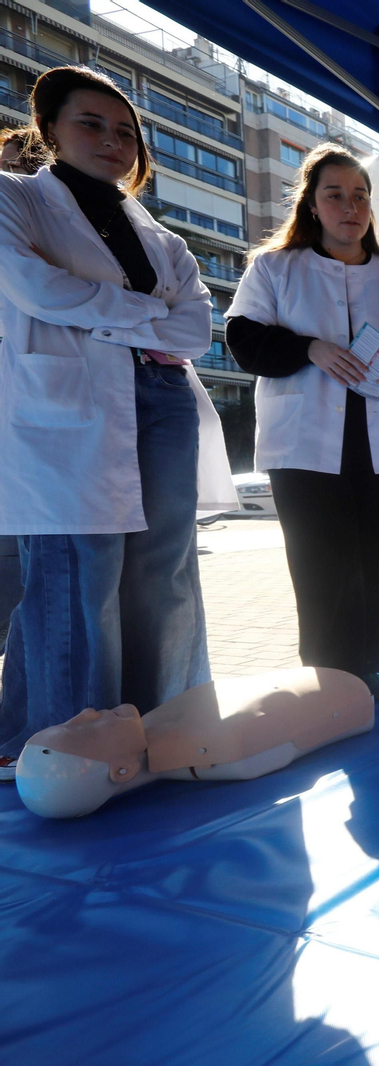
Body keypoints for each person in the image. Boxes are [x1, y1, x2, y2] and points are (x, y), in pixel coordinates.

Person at [0, 67, 234, 778]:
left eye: (125, 131)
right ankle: (57, 749)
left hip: (163, 401)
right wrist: (142, 318)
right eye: (90, 124)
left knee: (162, 571)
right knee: (79, 572)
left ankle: (155, 730)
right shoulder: (14, 198)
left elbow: (197, 329)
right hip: (65, 407)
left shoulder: (159, 237)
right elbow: (33, 287)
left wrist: (111, 316)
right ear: (49, 130)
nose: (111, 141)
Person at [226, 144, 379, 702]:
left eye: (360, 196)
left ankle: (373, 665)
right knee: (322, 561)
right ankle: (328, 671)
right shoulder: (274, 267)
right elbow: (243, 342)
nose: (350, 207)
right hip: (305, 444)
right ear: (312, 205)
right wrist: (310, 348)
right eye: (335, 195)